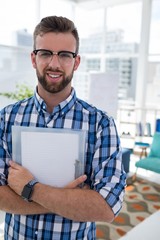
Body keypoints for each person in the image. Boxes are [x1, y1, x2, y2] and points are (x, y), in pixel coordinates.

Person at [0, 16, 126, 240]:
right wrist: (69, 201)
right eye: (45, 53)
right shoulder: (6, 118)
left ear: (76, 62)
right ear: (33, 58)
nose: (54, 64)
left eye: (65, 55)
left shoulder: (101, 125)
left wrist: (30, 190)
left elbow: (107, 207)